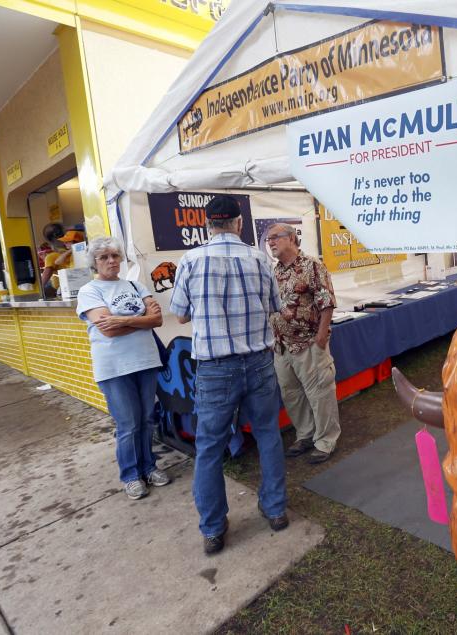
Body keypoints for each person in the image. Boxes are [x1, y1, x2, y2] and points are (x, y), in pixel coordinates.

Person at [169, 194, 289, 556]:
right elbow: (275, 308)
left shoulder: (190, 260)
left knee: (209, 447)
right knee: (268, 434)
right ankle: (276, 509)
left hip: (216, 368)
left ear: (207, 225)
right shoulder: (259, 259)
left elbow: (180, 315)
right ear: (239, 224)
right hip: (258, 362)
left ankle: (213, 529)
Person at [75, 236, 170, 500]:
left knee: (147, 418)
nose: (111, 261)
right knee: (128, 423)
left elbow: (158, 320)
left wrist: (123, 319)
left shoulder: (135, 284)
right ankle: (130, 475)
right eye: (104, 257)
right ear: (94, 262)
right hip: (114, 367)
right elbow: (108, 331)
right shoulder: (89, 291)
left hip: (146, 360)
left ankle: (149, 467)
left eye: (115, 255)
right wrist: (141, 320)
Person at [265, 223, 341, 465]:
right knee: (292, 395)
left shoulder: (312, 266)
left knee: (320, 394)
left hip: (308, 343)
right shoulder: (274, 271)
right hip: (282, 346)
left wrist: (320, 337)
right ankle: (305, 435)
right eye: (268, 240)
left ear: (290, 238)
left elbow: (327, 302)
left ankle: (326, 441)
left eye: (275, 238)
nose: (271, 243)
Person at [40, 224, 86, 297]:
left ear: (76, 242)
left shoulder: (82, 252)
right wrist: (70, 250)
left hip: (78, 285)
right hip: (70, 286)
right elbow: (57, 262)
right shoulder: (67, 253)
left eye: (67, 241)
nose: (65, 243)